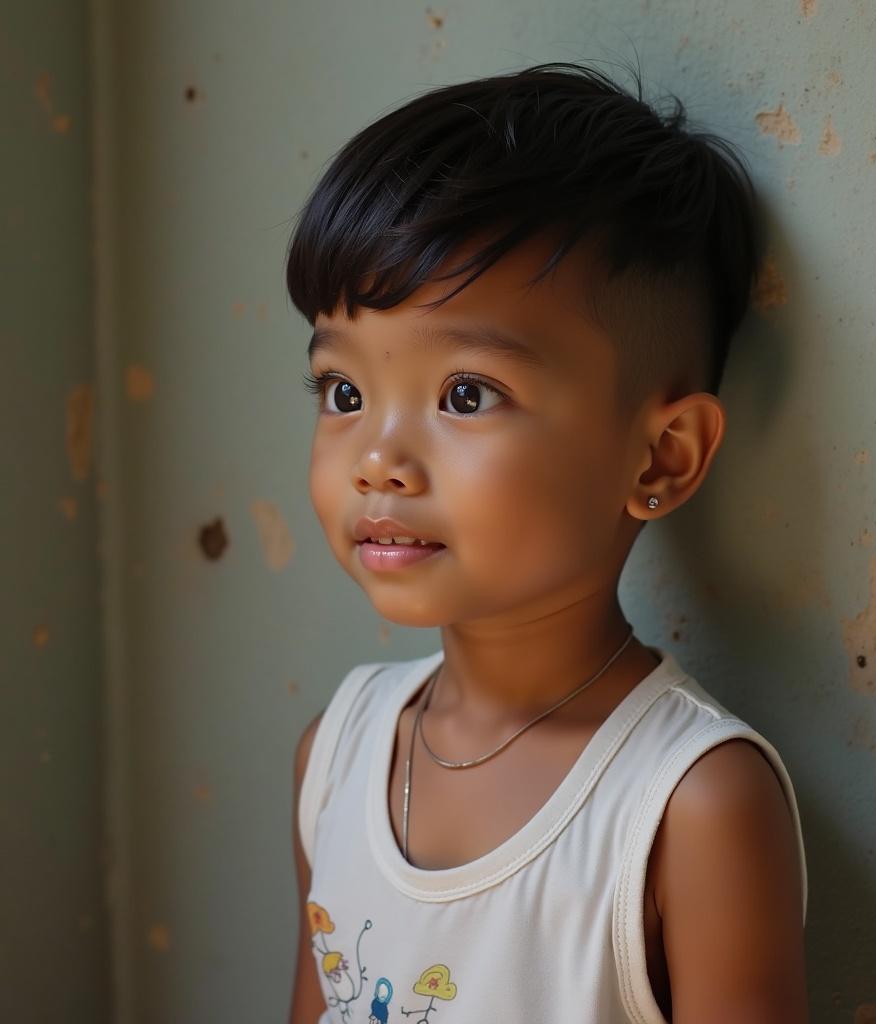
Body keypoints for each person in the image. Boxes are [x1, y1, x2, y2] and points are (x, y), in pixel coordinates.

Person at [285, 60, 808, 1024]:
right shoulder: (339, 753)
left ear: (661, 458)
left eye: (466, 395)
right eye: (343, 393)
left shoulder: (690, 806)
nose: (377, 461)